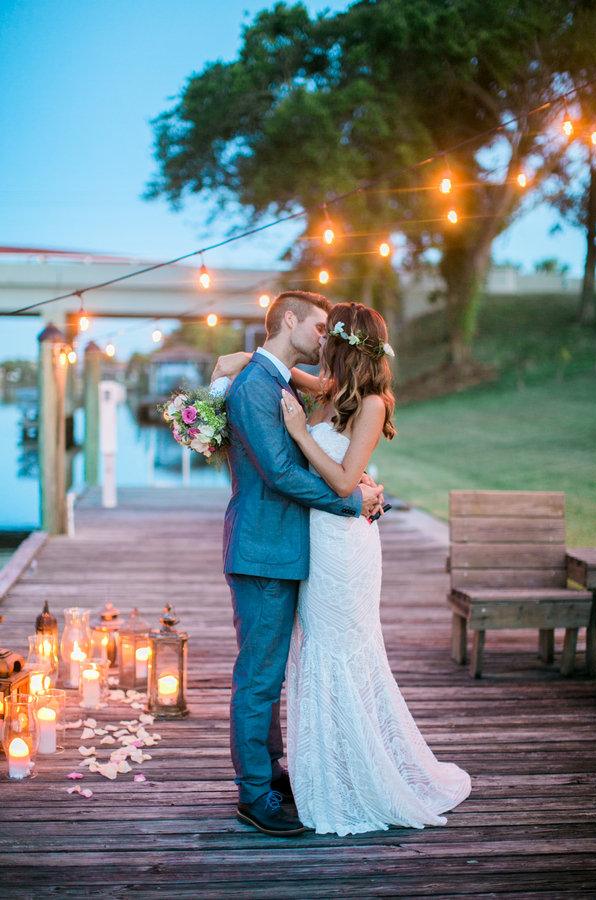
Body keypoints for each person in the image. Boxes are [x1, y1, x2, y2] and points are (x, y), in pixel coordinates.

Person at [278, 301, 472, 835]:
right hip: (314, 542)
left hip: (345, 547)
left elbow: (343, 483)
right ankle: (328, 772)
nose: (318, 344)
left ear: (342, 343)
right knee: (317, 649)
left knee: (344, 653)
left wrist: (298, 433)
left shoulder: (370, 405)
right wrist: (246, 361)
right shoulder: (328, 391)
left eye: (326, 336)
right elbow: (280, 370)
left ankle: (361, 776)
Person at [214, 291, 384, 837]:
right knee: (259, 677)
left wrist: (358, 485)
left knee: (270, 673)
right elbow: (282, 474)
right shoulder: (257, 388)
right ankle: (253, 795)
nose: (324, 337)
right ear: (290, 320)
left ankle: (272, 772)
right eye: (317, 325)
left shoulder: (277, 379)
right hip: (264, 550)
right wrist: (355, 498)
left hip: (288, 549)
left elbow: (334, 405)